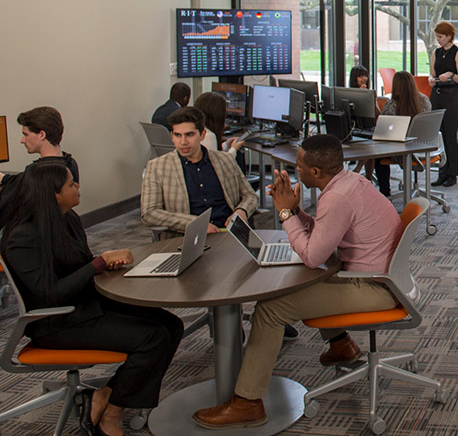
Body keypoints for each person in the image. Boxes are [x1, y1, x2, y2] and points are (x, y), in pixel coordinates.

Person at [192, 134, 403, 428]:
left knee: (271, 309)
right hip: (373, 275)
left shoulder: (337, 198)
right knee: (293, 286)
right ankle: (342, 346)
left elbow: (312, 256)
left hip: (375, 287)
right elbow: (325, 232)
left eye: (299, 166)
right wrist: (295, 212)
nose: (296, 169)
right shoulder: (349, 182)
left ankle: (248, 404)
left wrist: (284, 213)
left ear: (316, 173)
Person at [0, 161, 183, 436]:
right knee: (153, 337)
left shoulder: (67, 218)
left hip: (84, 303)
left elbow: (80, 266)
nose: (78, 186)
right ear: (53, 194)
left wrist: (104, 264)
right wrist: (98, 263)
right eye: (71, 184)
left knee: (172, 325)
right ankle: (112, 412)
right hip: (56, 322)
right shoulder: (21, 237)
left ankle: (106, 393)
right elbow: (49, 293)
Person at [140, 107, 259, 235]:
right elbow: (149, 213)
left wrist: (242, 211)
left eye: (189, 135)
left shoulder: (225, 160)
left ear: (202, 135)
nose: (183, 142)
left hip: (228, 233)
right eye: (178, 135)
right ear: (172, 136)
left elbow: (250, 196)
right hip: (186, 237)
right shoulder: (157, 167)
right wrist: (195, 223)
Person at [1, 107, 81, 201]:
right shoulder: (70, 163)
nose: (22, 140)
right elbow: (21, 180)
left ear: (42, 135)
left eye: (26, 134)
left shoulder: (37, 173)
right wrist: (5, 178)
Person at [373, 70, 431, 197]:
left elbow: (383, 128)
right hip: (423, 148)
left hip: (402, 151)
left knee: (377, 155)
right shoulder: (424, 100)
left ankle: (385, 192)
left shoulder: (392, 103)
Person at [428, 20, 458, 187]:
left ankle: (452, 173)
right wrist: (432, 78)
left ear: (449, 36)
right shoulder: (436, 52)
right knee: (439, 135)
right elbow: (432, 73)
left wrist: (450, 75)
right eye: (437, 36)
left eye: (441, 36)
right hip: (436, 95)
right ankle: (442, 172)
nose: (438, 39)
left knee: (450, 135)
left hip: (451, 97)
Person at [193, 91, 244, 156]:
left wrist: (226, 145)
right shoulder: (209, 136)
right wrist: (234, 149)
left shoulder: (197, 129)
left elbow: (212, 152)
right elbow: (217, 164)